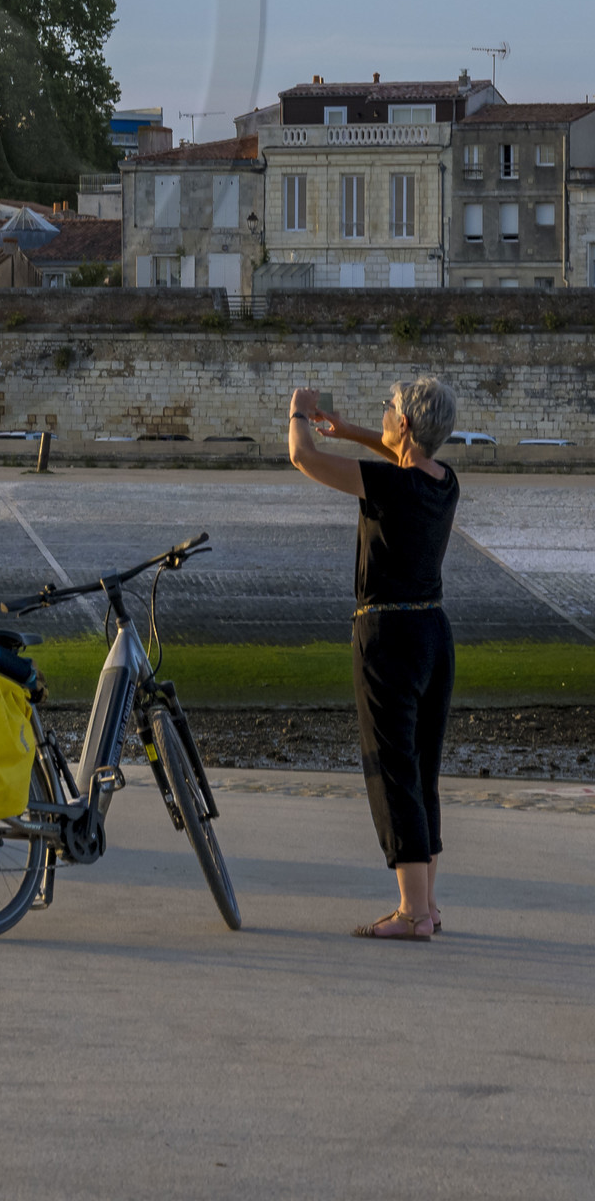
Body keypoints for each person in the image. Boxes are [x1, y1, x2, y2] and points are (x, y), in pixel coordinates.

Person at [287, 376, 459, 942]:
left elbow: (302, 457)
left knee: (392, 769)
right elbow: (401, 454)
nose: (384, 415)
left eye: (389, 410)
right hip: (434, 631)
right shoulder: (442, 481)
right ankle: (427, 905)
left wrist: (300, 413)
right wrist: (352, 430)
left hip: (388, 635)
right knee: (422, 768)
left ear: (405, 423)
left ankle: (412, 915)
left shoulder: (390, 485)